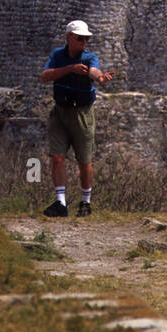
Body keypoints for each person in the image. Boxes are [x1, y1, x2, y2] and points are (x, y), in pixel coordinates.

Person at [41, 20, 114, 217]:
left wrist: (99, 78)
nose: (84, 42)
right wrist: (70, 69)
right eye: (80, 38)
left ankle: (85, 201)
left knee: (84, 160)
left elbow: (93, 70)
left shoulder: (89, 57)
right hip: (60, 111)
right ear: (69, 38)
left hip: (82, 112)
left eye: (86, 39)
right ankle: (61, 202)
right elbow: (45, 76)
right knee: (57, 157)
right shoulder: (58, 55)